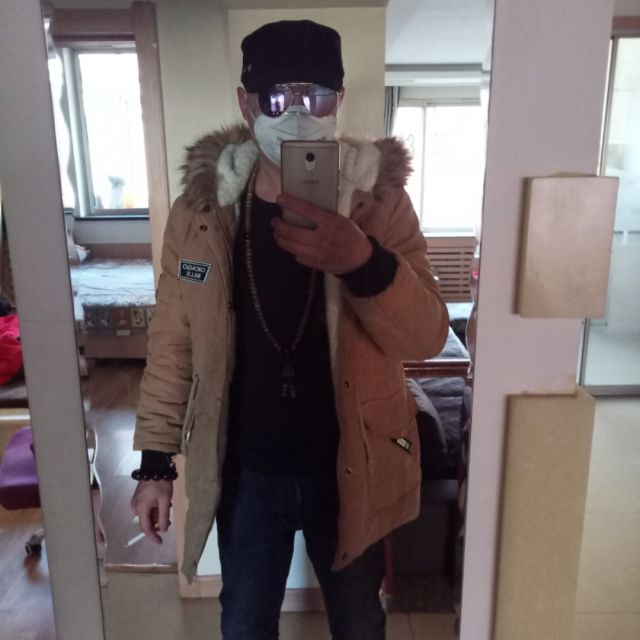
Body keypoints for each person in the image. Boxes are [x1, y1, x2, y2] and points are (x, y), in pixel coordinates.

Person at [130, 19, 449, 640]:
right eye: (277, 97)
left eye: (317, 96)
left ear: (340, 101)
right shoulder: (204, 213)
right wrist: (154, 464)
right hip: (246, 473)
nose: (299, 114)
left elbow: (427, 337)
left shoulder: (379, 203)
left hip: (351, 465)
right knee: (244, 626)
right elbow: (173, 342)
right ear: (246, 103)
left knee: (360, 624)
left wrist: (365, 262)